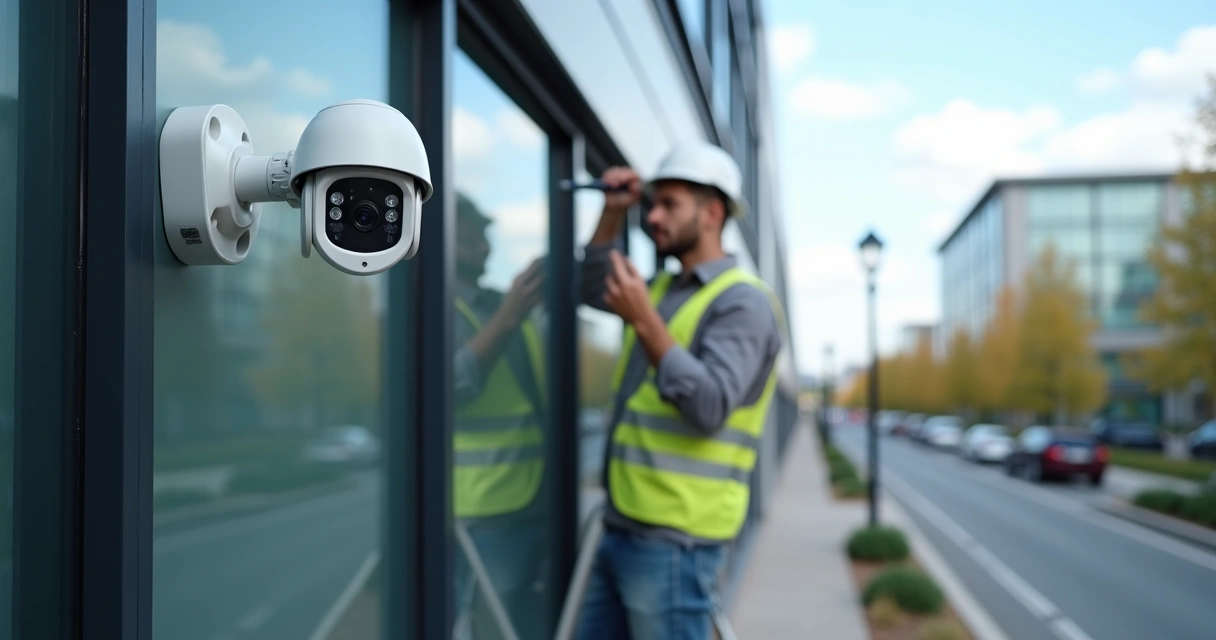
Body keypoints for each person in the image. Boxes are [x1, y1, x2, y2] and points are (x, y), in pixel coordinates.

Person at [575, 143, 783, 639]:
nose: (653, 217)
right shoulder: (664, 290)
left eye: (669, 204)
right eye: (652, 204)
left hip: (677, 545)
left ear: (712, 213)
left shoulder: (743, 304)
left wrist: (644, 319)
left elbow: (709, 406)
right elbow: (587, 287)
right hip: (625, 524)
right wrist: (611, 213)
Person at [451, 192, 549, 640]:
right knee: (489, 626)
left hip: (534, 502)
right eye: (471, 236)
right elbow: (451, 388)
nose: (485, 247)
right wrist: (510, 315)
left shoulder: (497, 303)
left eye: (485, 237)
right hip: (486, 511)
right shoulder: (435, 309)